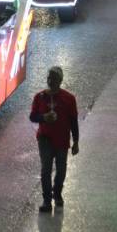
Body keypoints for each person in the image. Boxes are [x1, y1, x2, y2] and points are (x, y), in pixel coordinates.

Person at [29, 66, 80, 211]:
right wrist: (44, 117)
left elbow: (73, 121)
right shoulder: (39, 97)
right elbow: (32, 116)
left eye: (54, 78)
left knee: (61, 169)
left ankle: (57, 193)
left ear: (60, 80)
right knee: (46, 169)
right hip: (45, 139)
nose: (50, 81)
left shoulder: (69, 99)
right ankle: (46, 200)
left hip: (62, 140)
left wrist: (76, 141)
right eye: (48, 78)